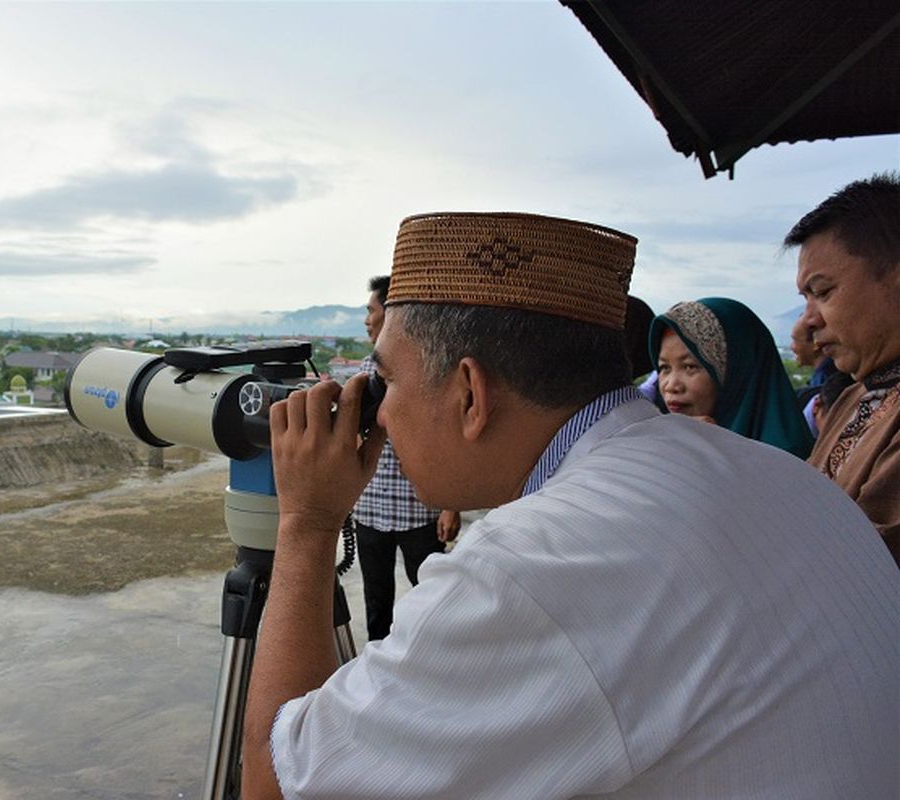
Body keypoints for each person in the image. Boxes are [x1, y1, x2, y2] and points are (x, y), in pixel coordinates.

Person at [242, 212, 897, 799]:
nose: (376, 411)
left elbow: (279, 781)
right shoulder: (769, 471)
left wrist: (307, 523)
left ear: (471, 394)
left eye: (385, 380)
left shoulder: (528, 568)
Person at [787, 172, 900, 566]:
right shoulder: (855, 394)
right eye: (805, 298)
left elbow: (865, 561)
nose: (809, 320)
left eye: (823, 292)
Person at [354, 274, 460, 641]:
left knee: (433, 601)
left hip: (420, 510)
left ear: (393, 313)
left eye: (372, 311)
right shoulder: (364, 375)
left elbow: (447, 439)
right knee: (376, 604)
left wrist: (450, 505)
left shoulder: (430, 372)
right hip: (370, 511)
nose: (367, 320)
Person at [649, 297, 813, 458]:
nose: (671, 386)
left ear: (739, 370)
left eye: (690, 367)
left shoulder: (786, 458)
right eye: (665, 368)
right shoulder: (668, 442)